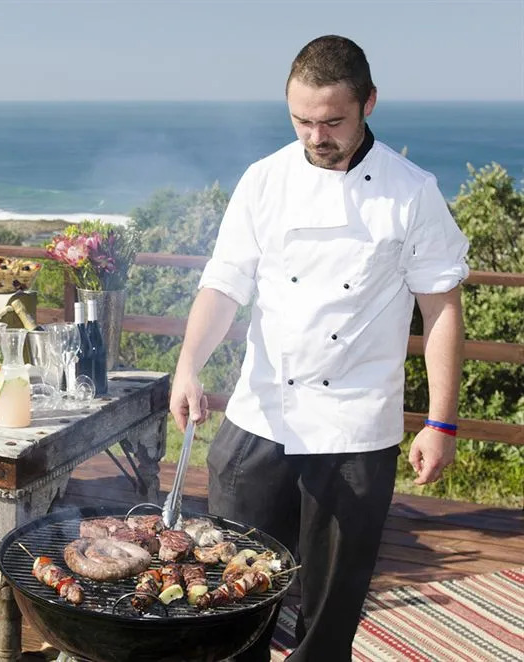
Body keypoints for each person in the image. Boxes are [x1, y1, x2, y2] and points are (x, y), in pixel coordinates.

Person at [169, 35, 469, 661]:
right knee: (229, 598)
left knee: (329, 615)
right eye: (301, 120)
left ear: (369, 103)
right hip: (260, 415)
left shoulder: (411, 192)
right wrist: (188, 365)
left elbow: (440, 308)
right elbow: (223, 285)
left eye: (332, 121)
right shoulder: (264, 180)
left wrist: (440, 421)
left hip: (354, 426)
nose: (315, 136)